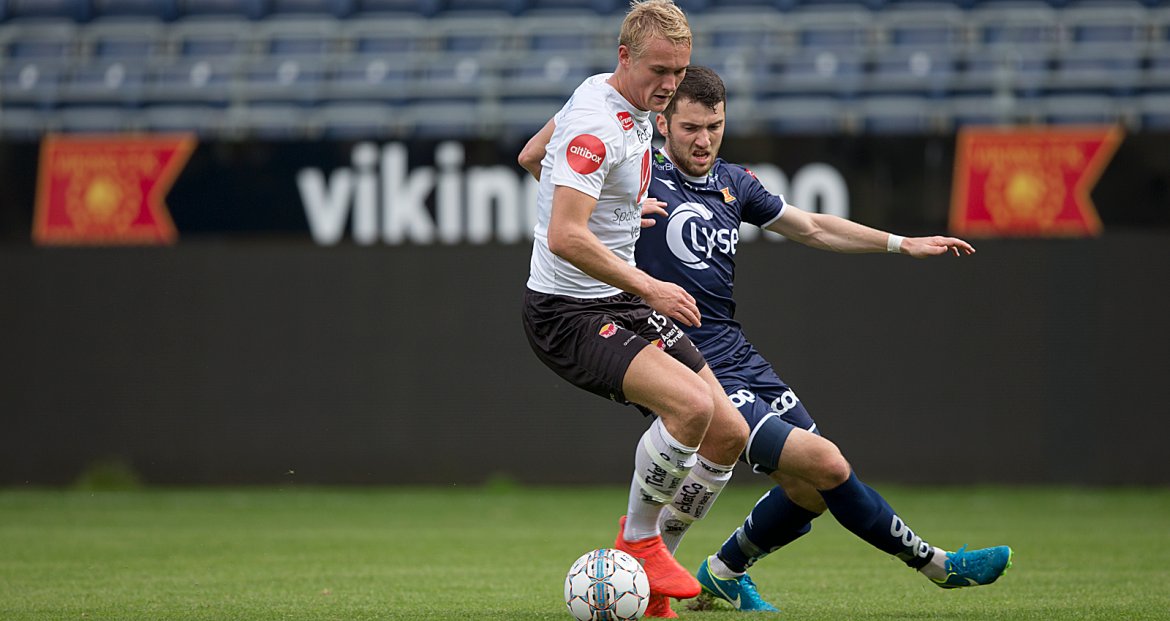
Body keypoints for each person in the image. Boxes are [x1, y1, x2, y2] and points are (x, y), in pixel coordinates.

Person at [631, 66, 1013, 616]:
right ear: (663, 123)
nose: (704, 140)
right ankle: (939, 566)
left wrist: (903, 243)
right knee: (828, 464)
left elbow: (811, 227)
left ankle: (724, 572)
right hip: (685, 360)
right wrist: (614, 219)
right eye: (690, 127)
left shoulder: (734, 182)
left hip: (738, 354)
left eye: (714, 126)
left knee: (810, 489)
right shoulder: (637, 176)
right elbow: (564, 196)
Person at [516, 3, 749, 616]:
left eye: (679, 70)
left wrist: (616, 210)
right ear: (625, 57)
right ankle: (640, 543)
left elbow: (531, 155)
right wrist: (649, 285)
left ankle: (652, 571)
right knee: (691, 407)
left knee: (728, 433)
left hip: (613, 300)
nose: (670, 85)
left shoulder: (615, 96)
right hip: (567, 312)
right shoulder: (596, 125)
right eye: (659, 70)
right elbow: (565, 235)